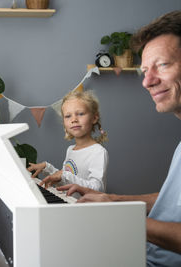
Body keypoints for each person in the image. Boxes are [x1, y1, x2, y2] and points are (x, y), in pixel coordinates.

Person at [57, 10, 181, 267]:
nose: (148, 81)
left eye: (163, 65)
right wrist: (110, 200)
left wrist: (117, 216)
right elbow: (172, 201)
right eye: (145, 70)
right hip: (143, 251)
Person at [27, 90, 109, 192]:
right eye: (68, 116)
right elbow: (65, 179)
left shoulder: (97, 152)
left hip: (86, 207)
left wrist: (64, 175)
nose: (74, 119)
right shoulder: (70, 150)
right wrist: (47, 168)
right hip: (70, 205)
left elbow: (97, 188)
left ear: (94, 118)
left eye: (80, 114)